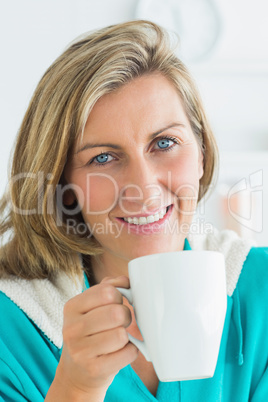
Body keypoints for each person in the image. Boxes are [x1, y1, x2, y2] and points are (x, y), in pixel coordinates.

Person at [0, 20, 267, 402]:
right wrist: (76, 388)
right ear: (65, 188)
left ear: (202, 155)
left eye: (164, 142)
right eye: (103, 157)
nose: (143, 189)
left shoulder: (260, 292)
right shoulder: (10, 333)